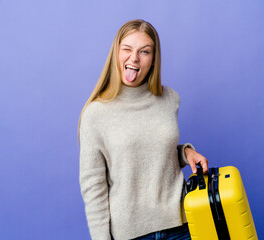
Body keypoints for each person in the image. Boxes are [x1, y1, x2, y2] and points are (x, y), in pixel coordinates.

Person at [78, 19, 209, 240]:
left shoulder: (170, 99)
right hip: (132, 234)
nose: (134, 58)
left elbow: (154, 151)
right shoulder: (96, 114)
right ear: (116, 53)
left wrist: (187, 152)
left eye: (144, 51)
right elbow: (93, 187)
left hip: (183, 226)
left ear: (153, 59)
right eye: (127, 49)